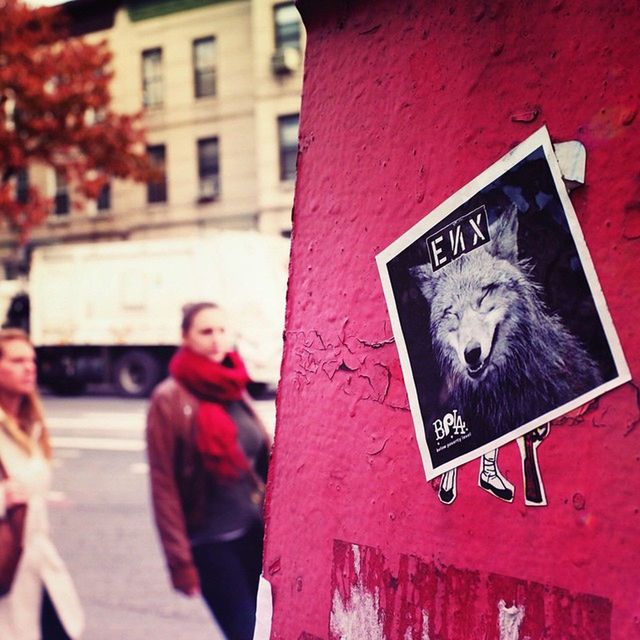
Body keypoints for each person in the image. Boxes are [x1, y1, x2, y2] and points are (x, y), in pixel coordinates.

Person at [146, 302, 271, 640]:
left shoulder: (234, 386)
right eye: (205, 331)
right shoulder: (168, 399)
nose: (216, 339)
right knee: (245, 630)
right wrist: (179, 561)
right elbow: (163, 485)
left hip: (253, 532)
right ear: (186, 338)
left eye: (222, 330)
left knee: (269, 628)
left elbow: (263, 458)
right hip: (210, 541)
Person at [0, 328, 84, 640]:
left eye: (31, 360)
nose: (29, 367)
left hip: (37, 560)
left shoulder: (30, 424)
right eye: (17, 360)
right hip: (7, 564)